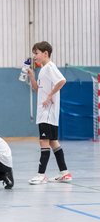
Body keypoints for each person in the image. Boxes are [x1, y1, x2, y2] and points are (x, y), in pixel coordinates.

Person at [27, 41, 72, 185]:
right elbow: (37, 89)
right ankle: (65, 173)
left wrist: (49, 96)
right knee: (53, 142)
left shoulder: (50, 67)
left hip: (47, 112)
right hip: (45, 112)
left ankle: (41, 175)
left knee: (44, 141)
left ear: (45, 53)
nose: (34, 57)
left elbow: (62, 81)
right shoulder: (43, 69)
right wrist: (32, 76)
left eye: (37, 53)